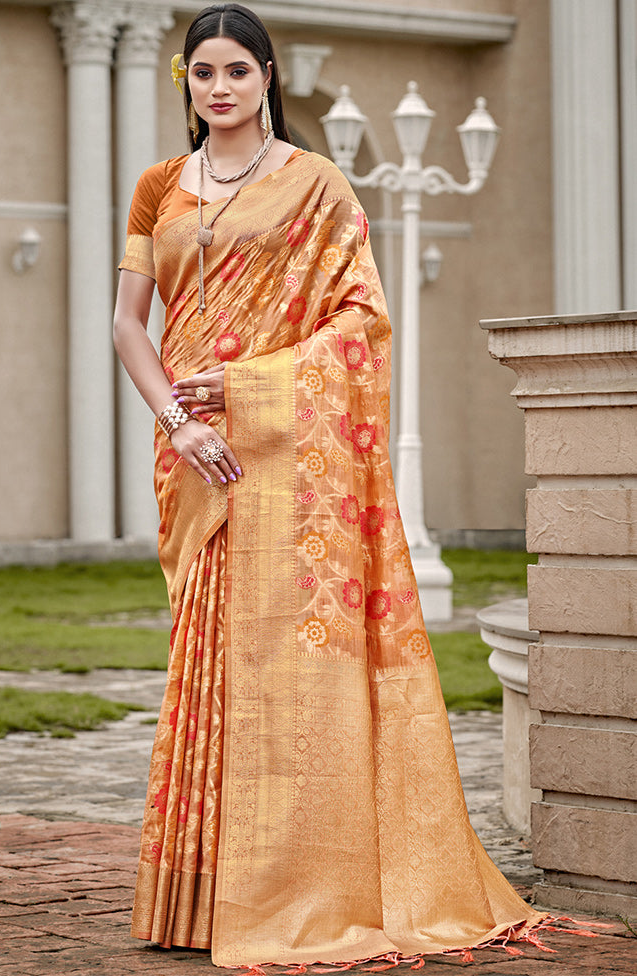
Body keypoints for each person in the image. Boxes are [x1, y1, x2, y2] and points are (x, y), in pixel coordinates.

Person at [113, 3, 544, 969]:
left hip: (284, 451)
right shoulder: (158, 191)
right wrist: (179, 422)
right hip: (196, 453)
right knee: (208, 662)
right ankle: (196, 900)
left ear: (267, 77)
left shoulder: (318, 188)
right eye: (201, 72)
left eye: (235, 70)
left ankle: (300, 887)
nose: (217, 87)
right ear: (186, 83)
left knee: (286, 665)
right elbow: (128, 325)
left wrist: (258, 387)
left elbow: (362, 324)